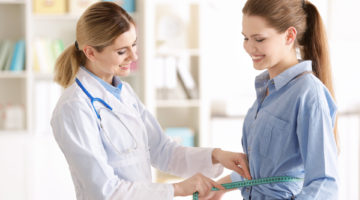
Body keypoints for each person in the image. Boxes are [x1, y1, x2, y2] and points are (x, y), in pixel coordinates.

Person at [50, 2, 251, 200]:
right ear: (90, 52)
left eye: (134, 45)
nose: (134, 56)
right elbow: (104, 191)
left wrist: (218, 155)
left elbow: (164, 152)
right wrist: (177, 189)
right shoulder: (74, 107)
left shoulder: (124, 92)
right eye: (122, 51)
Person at [202, 0, 339, 199]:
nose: (249, 48)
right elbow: (266, 172)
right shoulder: (267, 90)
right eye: (245, 38)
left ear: (289, 36)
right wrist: (219, 187)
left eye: (259, 39)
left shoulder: (308, 93)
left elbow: (324, 183)